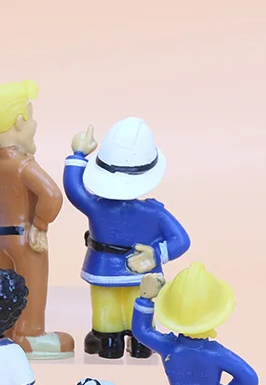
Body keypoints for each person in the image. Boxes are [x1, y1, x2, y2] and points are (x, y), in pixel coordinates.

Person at [65, 120, 190, 359]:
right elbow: (181, 240)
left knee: (106, 305)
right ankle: (140, 339)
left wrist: (78, 154)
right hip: (140, 274)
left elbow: (74, 189)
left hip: (103, 268)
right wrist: (156, 255)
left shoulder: (96, 206)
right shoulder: (155, 212)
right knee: (139, 303)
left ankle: (108, 340)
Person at [0, 81, 74, 358]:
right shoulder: (23, 164)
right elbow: (52, 195)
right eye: (31, 118)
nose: (34, 125)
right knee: (32, 284)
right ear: (18, 122)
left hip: (3, 238)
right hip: (26, 237)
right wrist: (40, 225)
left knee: (9, 285)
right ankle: (30, 334)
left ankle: (9, 329)